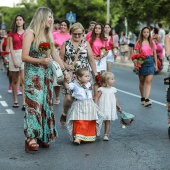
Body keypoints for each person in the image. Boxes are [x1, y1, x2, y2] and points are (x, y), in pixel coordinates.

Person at [22, 6, 67, 152]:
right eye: (49, 17)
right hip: (33, 76)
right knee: (34, 105)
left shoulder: (48, 35)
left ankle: (43, 135)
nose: (51, 20)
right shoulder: (30, 33)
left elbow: (54, 54)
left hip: (46, 75)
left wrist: (65, 71)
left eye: (51, 17)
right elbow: (24, 57)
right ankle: (31, 137)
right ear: (42, 17)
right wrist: (40, 61)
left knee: (45, 105)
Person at [59, 22, 98, 125]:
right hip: (70, 74)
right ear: (71, 33)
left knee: (84, 98)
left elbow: (91, 60)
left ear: (83, 33)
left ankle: (81, 121)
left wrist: (95, 74)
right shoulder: (66, 43)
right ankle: (65, 112)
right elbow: (60, 59)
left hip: (84, 75)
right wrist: (66, 66)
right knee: (68, 98)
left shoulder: (86, 44)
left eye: (79, 34)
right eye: (74, 34)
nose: (77, 36)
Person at [64, 68, 103, 144]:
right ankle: (78, 137)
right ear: (79, 77)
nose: (88, 77)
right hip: (80, 104)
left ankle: (88, 136)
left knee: (90, 120)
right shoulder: (74, 84)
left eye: (88, 76)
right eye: (86, 76)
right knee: (79, 120)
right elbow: (67, 87)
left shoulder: (89, 84)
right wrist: (65, 81)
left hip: (89, 104)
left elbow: (96, 85)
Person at [134, 27, 158, 107]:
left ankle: (147, 99)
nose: (146, 33)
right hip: (142, 62)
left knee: (148, 81)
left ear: (149, 33)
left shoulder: (152, 42)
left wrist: (156, 64)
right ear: (142, 33)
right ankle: (142, 97)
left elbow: (155, 54)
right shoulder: (139, 42)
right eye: (144, 32)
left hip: (150, 61)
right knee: (142, 81)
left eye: (148, 32)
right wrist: (136, 64)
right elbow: (136, 55)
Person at [95, 72, 121, 141]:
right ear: (106, 81)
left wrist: (118, 106)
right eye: (112, 79)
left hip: (109, 108)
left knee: (107, 121)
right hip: (102, 107)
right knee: (99, 120)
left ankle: (106, 135)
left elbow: (115, 99)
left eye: (113, 79)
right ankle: (97, 131)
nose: (114, 80)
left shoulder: (113, 89)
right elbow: (97, 97)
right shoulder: (101, 89)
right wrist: (95, 105)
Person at [52, 19, 71, 105]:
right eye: (61, 25)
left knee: (64, 77)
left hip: (65, 58)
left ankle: (66, 95)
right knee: (56, 78)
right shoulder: (55, 34)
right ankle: (57, 97)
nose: (62, 26)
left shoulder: (69, 36)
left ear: (67, 27)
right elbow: (51, 44)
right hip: (55, 56)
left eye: (64, 25)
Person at [8, 14, 26, 109]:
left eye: (20, 19)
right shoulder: (11, 33)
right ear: (15, 22)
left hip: (23, 54)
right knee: (15, 80)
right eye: (17, 20)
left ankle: (24, 102)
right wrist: (14, 60)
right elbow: (10, 47)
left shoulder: (27, 33)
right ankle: (15, 100)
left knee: (23, 80)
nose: (18, 21)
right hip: (14, 55)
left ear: (23, 21)